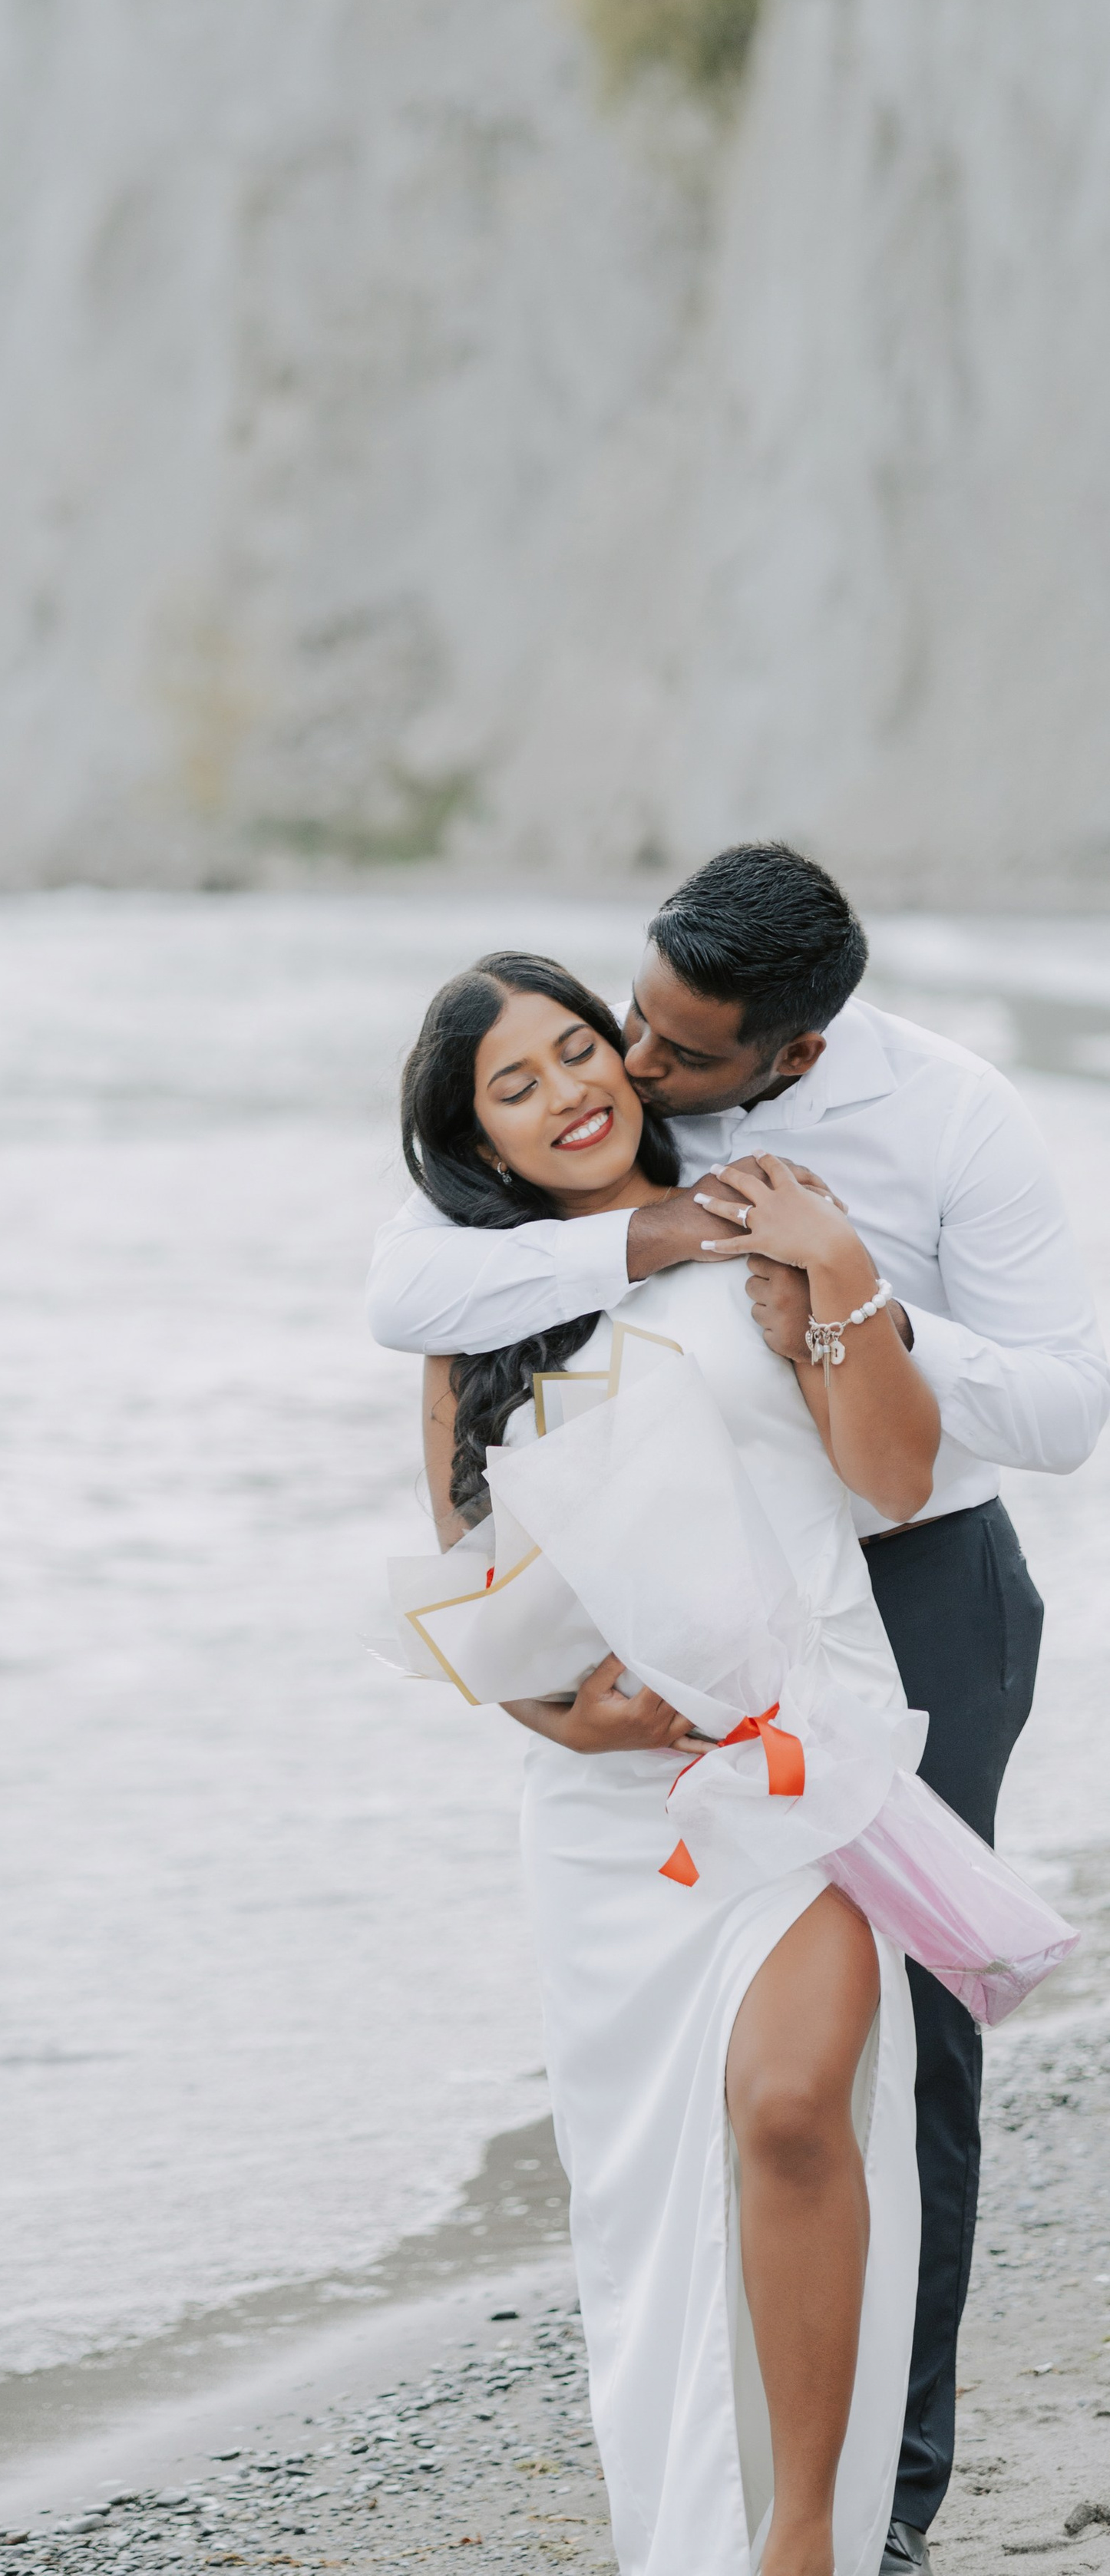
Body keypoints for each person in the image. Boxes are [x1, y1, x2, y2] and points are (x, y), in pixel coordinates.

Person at [369, 847, 1110, 2576]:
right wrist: (549, 1705)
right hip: (635, 1726)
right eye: (601, 1030)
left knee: (869, 2075)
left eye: (661, 1051)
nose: (621, 1067)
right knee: (658, 2147)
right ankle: (725, 2501)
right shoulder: (568, 1185)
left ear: (786, 1054)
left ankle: (874, 2509)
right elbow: (423, 1361)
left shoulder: (944, 1121)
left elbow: (1056, 1409)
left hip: (899, 1602)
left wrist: (850, 1287)